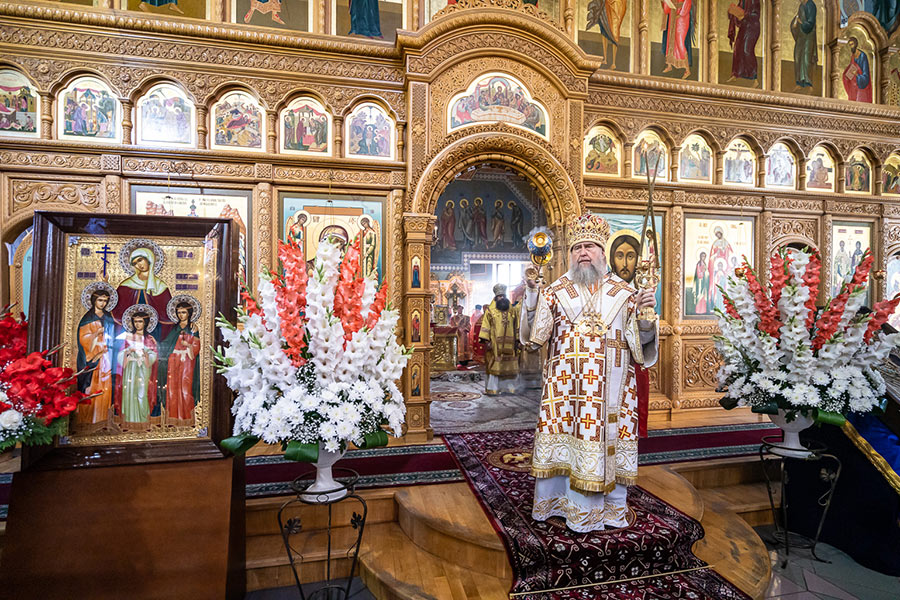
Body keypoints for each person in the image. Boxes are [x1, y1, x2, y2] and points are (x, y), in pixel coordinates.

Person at [527, 214, 658, 532]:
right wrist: (531, 296)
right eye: (577, 247)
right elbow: (534, 338)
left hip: (612, 392)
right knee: (568, 444)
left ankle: (609, 509)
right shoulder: (555, 292)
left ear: (602, 252)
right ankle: (558, 503)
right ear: (570, 255)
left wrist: (646, 318)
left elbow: (641, 347)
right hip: (566, 392)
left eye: (590, 246)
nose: (583, 252)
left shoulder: (626, 294)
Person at [75, 285, 118, 431]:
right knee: (91, 387)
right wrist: (96, 333)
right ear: (94, 300)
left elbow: (113, 337)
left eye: (105, 301)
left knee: (105, 386)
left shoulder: (108, 317)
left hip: (107, 355)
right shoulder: (87, 318)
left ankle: (103, 418)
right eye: (100, 300)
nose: (103, 303)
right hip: (92, 356)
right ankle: (87, 420)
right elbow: (83, 340)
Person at [114, 245, 173, 340]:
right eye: (135, 263)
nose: (139, 265)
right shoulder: (126, 285)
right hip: (130, 335)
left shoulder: (160, 286)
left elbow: (168, 316)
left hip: (155, 333)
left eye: (140, 260)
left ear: (148, 258)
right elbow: (115, 312)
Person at [115, 307, 159, 428]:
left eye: (140, 321)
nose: (137, 324)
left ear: (145, 323)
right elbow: (120, 355)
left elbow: (154, 355)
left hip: (143, 369)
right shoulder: (129, 338)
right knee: (129, 393)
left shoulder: (149, 339)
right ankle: (129, 420)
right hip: (130, 369)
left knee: (142, 394)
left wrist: (145, 353)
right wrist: (129, 351)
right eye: (135, 321)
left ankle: (143, 420)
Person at [160, 300, 201, 426]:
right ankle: (172, 419)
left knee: (185, 388)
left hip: (187, 361)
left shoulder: (193, 328)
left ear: (189, 313)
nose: (181, 315)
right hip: (173, 360)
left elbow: (196, 346)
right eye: (179, 312)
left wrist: (188, 345)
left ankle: (186, 418)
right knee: (172, 388)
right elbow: (167, 343)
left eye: (183, 312)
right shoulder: (174, 328)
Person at [479, 284, 519, 395]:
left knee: (509, 366)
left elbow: (517, 324)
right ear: (496, 297)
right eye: (499, 296)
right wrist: (487, 341)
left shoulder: (512, 310)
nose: (501, 298)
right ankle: (493, 388)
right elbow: (486, 325)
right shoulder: (490, 310)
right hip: (495, 343)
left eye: (503, 296)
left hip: (510, 343)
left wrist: (517, 339)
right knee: (495, 365)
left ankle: (509, 389)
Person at [516, 268, 543, 390]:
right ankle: (527, 380)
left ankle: (537, 380)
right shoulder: (524, 301)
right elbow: (527, 313)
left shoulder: (542, 296)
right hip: (528, 332)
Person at [585, 0, 628, 69]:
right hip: (606, 5)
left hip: (616, 6)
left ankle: (613, 63)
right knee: (604, 28)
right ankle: (605, 59)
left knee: (614, 32)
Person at [727, 0, 761, 83]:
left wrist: (745, 15)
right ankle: (735, 74)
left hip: (753, 27)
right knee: (737, 48)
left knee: (747, 50)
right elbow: (738, 17)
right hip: (744, 27)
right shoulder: (742, 1)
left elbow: (756, 15)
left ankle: (754, 77)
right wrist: (733, 13)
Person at [661, 0, 694, 79]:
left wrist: (681, 14)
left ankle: (687, 70)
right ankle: (669, 65)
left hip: (682, 17)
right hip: (673, 14)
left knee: (680, 42)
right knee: (670, 39)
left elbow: (688, 2)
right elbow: (668, 5)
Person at [791, 0, 818, 90]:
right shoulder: (801, 6)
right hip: (801, 36)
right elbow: (798, 18)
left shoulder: (811, 5)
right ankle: (799, 82)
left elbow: (811, 23)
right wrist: (794, 24)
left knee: (806, 58)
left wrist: (802, 23)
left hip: (809, 36)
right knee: (797, 57)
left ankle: (808, 82)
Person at [842, 37, 872, 103]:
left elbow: (866, 77)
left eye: (852, 44)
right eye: (850, 45)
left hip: (861, 88)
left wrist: (856, 74)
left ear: (856, 44)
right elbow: (851, 67)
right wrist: (847, 76)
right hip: (853, 86)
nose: (851, 46)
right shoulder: (853, 56)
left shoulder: (863, 56)